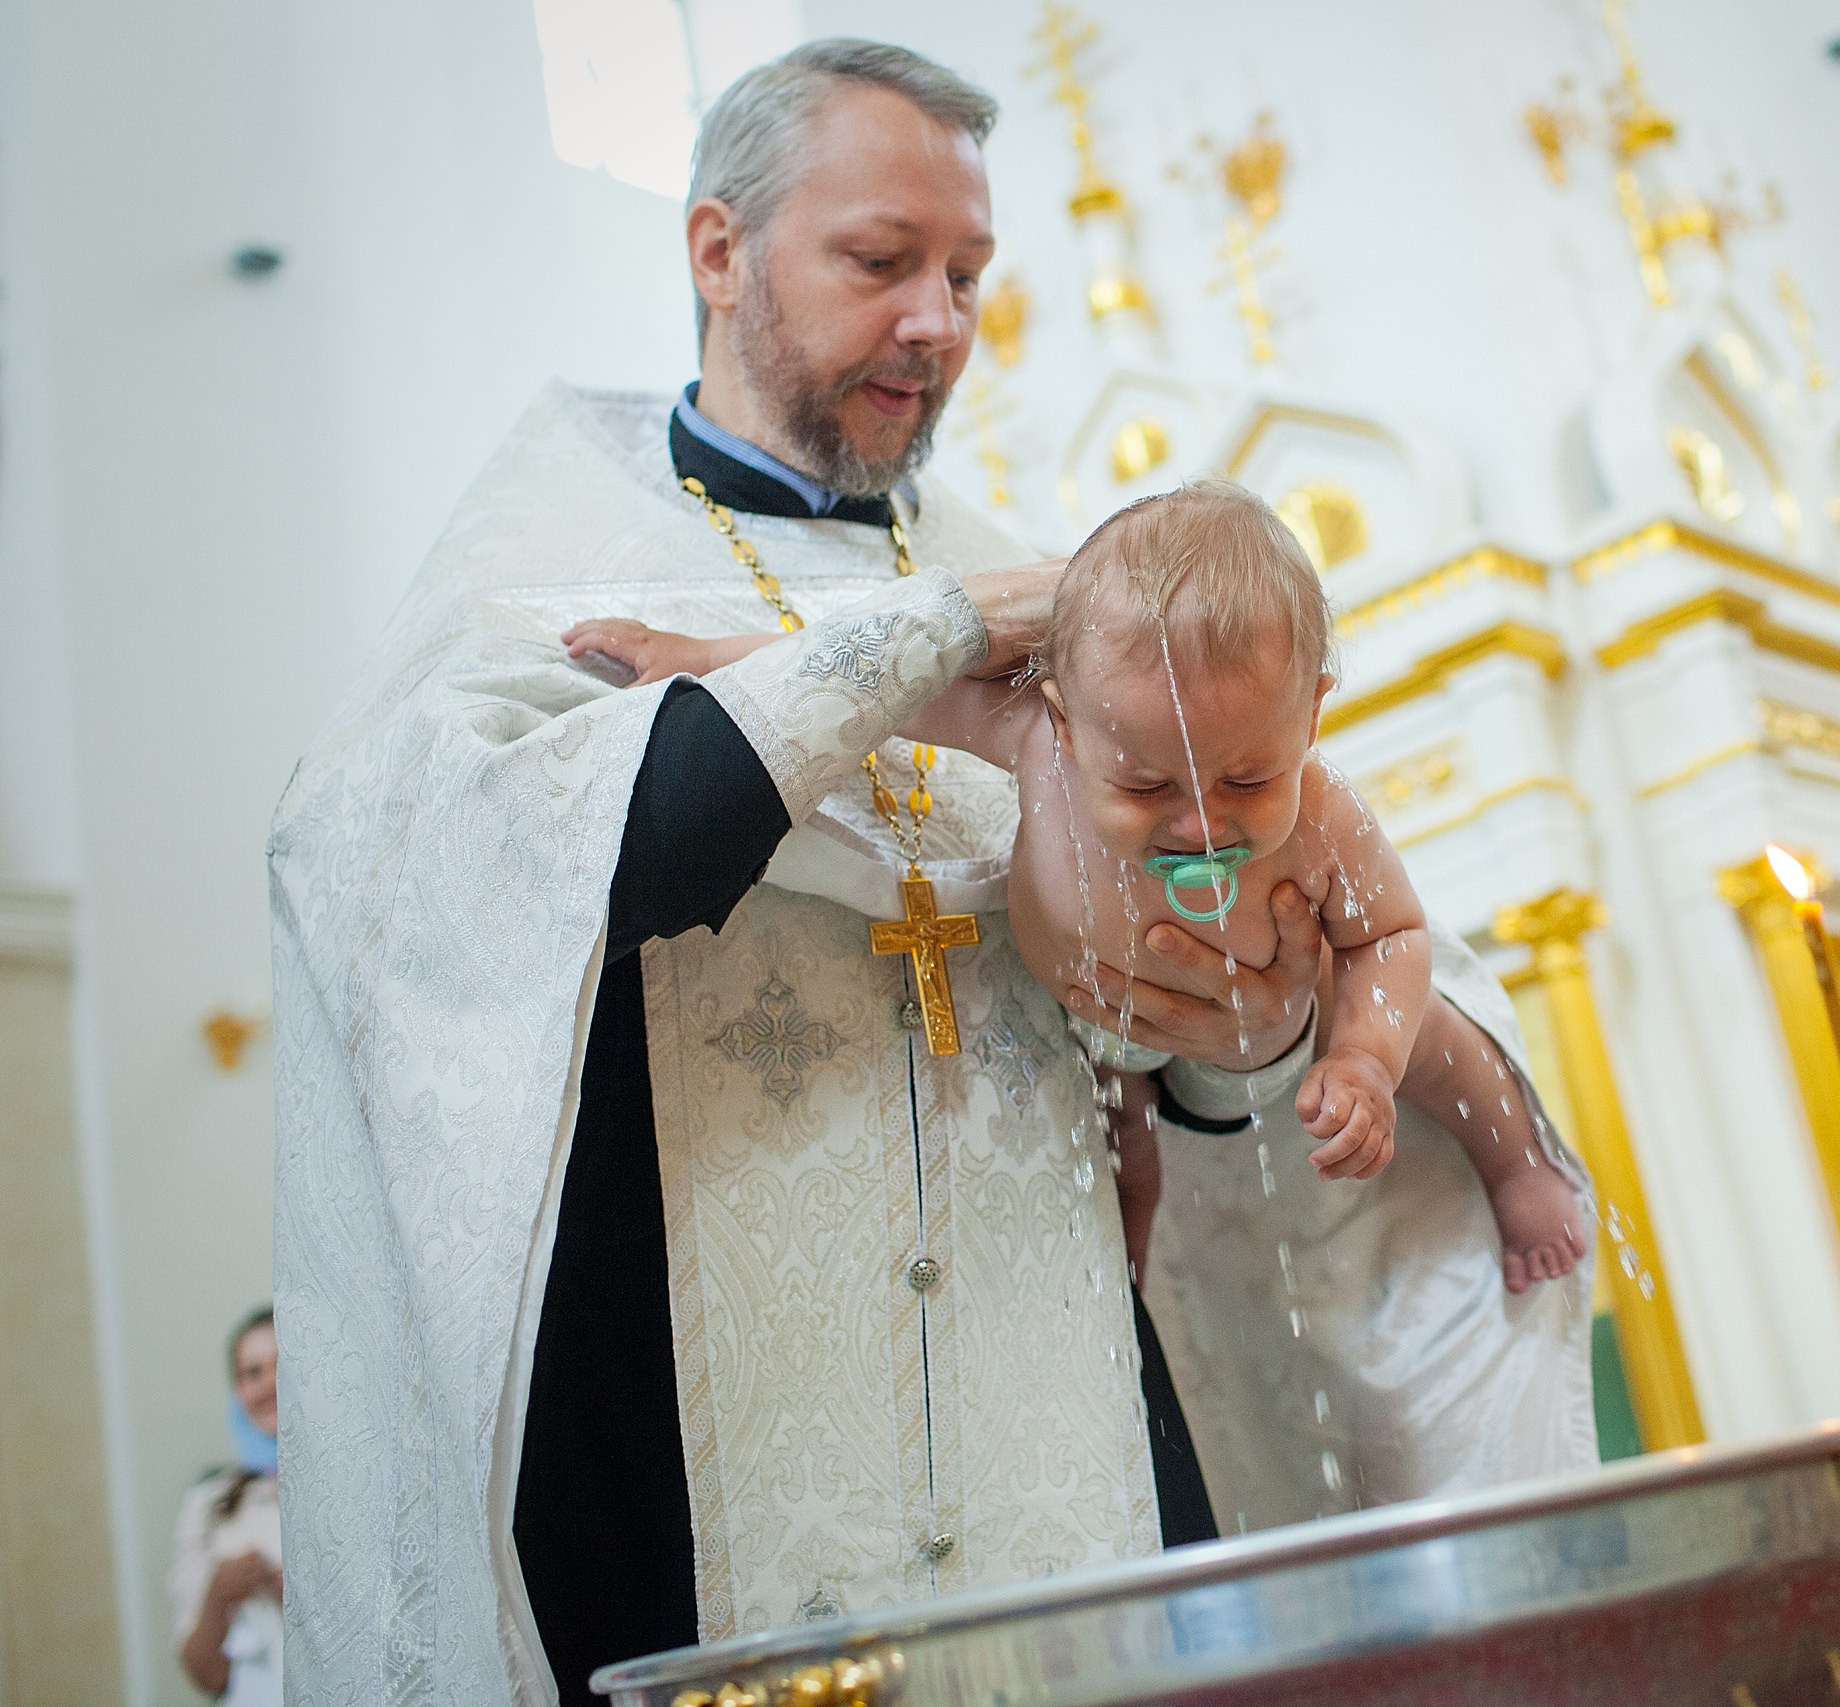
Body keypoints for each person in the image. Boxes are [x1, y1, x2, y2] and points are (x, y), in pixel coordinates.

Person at [270, 39, 1592, 1707]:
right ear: (718, 250)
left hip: (1076, 1456)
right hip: (687, 1463)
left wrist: (1247, 1030)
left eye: (967, 272)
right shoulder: (543, 570)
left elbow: (1223, 978)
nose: (940, 321)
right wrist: (943, 627)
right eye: (882, 261)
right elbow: (544, 875)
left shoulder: (1055, 580)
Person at [568, 479, 1590, 1292]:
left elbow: (1392, 937)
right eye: (1143, 781)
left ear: (1311, 715)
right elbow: (848, 687)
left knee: (1435, 1039)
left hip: (1289, 994)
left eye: (1247, 777)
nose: (1200, 823)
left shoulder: (1321, 812)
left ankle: (1516, 1164)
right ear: (1058, 709)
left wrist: (1366, 1056)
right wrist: (702, 661)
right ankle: (1129, 1275)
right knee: (1119, 1157)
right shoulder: (1028, 735)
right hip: (1095, 1031)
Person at [172, 1308, 283, 1705]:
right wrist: (220, 1593)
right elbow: (207, 1675)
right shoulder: (209, 1503)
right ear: (237, 1391)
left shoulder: (357, 1487)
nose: (270, 1383)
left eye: (282, 1363)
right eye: (253, 1373)